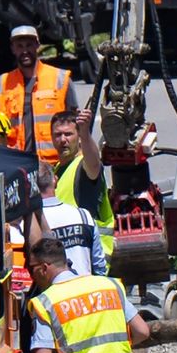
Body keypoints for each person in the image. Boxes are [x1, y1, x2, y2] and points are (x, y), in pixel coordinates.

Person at [0, 24, 73, 166]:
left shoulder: (60, 78)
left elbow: (75, 124)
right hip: (16, 164)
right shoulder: (1, 84)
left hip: (54, 163)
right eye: (19, 46)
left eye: (29, 45)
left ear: (37, 45)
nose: (25, 51)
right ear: (13, 49)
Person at [51, 108, 114, 255]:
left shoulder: (83, 166)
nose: (62, 139)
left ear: (78, 137)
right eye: (57, 135)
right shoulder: (57, 169)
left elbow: (93, 163)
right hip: (69, 253)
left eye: (68, 134)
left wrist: (85, 134)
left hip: (91, 255)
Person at [29, 165, 105, 277]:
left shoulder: (30, 223)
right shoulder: (83, 215)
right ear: (55, 180)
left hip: (53, 292)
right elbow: (99, 268)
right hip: (86, 290)